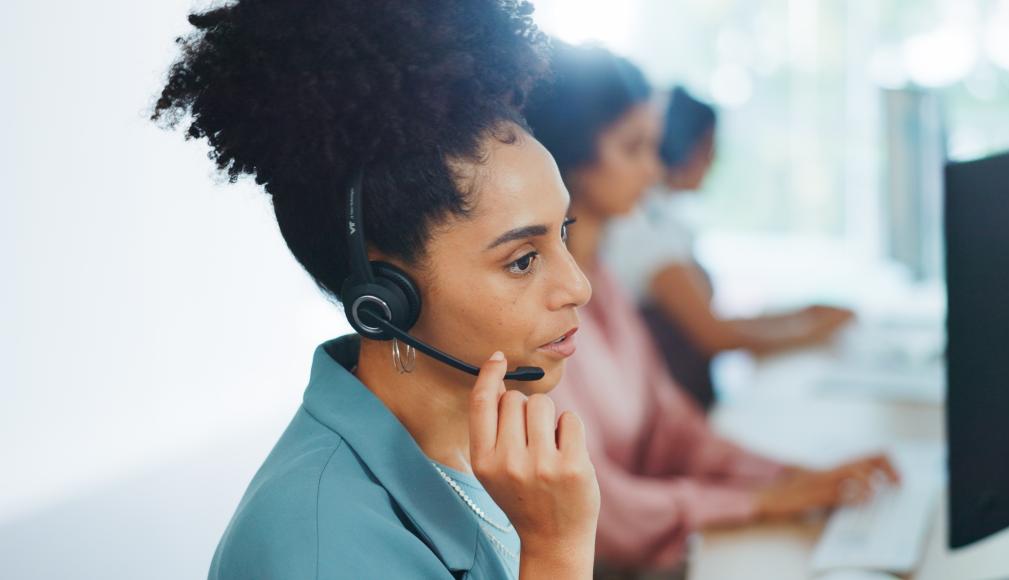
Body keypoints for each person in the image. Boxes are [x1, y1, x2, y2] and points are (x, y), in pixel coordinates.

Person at [152, 2, 600, 578]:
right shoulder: (318, 547)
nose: (579, 286)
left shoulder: (491, 460)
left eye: (564, 232)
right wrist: (558, 549)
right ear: (384, 299)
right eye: (522, 260)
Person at [525, 42, 897, 572]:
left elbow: (670, 423)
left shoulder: (602, 278)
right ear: (568, 161)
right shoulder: (534, 318)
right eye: (633, 150)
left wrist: (786, 476)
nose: (655, 173)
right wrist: (757, 502)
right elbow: (605, 509)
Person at [603, 86, 854, 409]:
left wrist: (802, 314)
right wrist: (814, 332)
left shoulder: (661, 218)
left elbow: (715, 320)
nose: (714, 159)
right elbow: (716, 335)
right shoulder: (640, 232)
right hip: (678, 406)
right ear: (681, 146)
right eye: (708, 147)